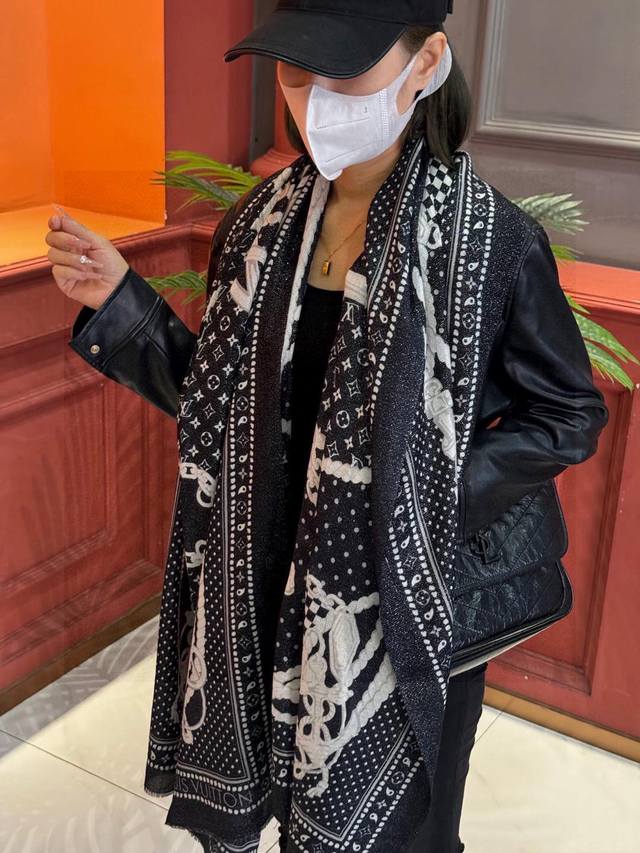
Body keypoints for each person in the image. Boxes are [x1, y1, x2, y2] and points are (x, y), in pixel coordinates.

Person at [46, 2, 608, 851]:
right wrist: (123, 304)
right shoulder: (260, 227)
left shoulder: (493, 242)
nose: (315, 101)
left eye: (344, 74)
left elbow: (567, 413)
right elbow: (221, 409)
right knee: (280, 786)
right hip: (265, 570)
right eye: (296, 74)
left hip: (413, 597)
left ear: (426, 65)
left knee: (406, 828)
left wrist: (420, 505)